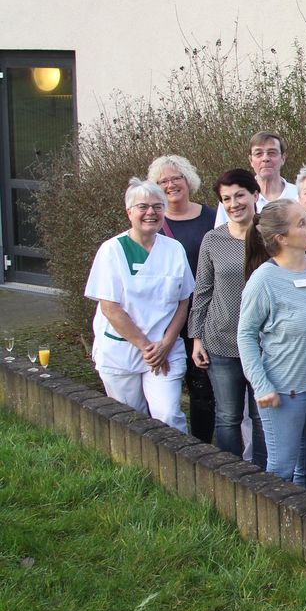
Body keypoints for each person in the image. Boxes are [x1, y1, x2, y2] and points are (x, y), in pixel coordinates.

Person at [237, 199, 306, 493]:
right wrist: (260, 384)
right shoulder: (264, 279)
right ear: (281, 238)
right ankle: (270, 533)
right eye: (301, 222)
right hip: (283, 390)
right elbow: (245, 335)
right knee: (281, 468)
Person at [84, 178, 193, 432]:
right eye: (143, 206)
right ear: (129, 212)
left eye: (158, 206)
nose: (151, 213)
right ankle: (139, 470)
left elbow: (184, 299)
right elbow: (110, 307)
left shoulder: (174, 249)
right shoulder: (112, 250)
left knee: (167, 415)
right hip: (122, 352)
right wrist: (146, 348)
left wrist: (165, 344)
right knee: (130, 420)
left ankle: (179, 468)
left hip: (164, 350)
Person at [191, 169, 267, 468]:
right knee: (228, 416)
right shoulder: (213, 239)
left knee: (263, 416)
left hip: (264, 342)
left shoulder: (271, 235)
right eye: (226, 199)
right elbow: (203, 291)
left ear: (255, 195)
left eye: (239, 195)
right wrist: (197, 339)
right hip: (221, 341)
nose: (233, 203)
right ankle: (231, 477)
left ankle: (264, 479)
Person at [146, 155, 217, 442]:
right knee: (170, 389)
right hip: (169, 320)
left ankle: (202, 448)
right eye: (163, 181)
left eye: (176, 177)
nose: (171, 184)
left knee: (204, 391)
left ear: (189, 180)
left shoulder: (212, 217)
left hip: (208, 317)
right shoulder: (151, 222)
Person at [214, 131, 298, 226]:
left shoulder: (298, 195)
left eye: (272, 153)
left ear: (283, 158)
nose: (265, 158)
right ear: (251, 160)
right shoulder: (231, 198)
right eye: (258, 153)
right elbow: (220, 235)